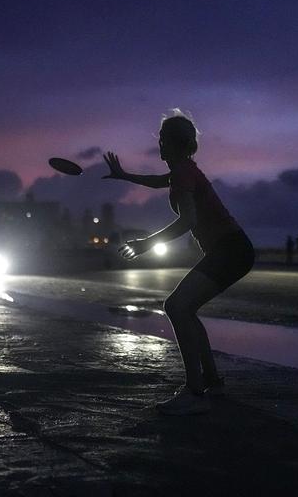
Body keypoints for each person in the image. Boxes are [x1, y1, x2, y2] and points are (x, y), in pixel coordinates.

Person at [103, 110, 254, 415]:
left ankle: (194, 391)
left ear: (175, 143)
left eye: (162, 140)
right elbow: (160, 181)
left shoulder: (184, 172)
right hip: (231, 250)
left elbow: (187, 220)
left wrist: (146, 244)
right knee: (186, 309)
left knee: (176, 307)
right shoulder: (183, 171)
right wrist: (126, 176)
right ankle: (212, 381)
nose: (158, 145)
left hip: (231, 250)